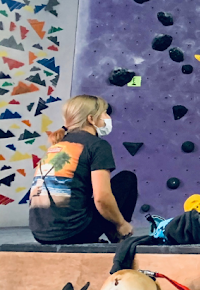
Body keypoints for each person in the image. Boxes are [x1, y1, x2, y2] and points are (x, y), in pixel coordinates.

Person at [29, 96, 137, 244]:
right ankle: (118, 236)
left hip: (40, 233)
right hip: (74, 232)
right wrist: (121, 223)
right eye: (105, 113)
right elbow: (101, 198)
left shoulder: (56, 146)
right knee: (127, 179)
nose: (107, 118)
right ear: (91, 119)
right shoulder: (97, 145)